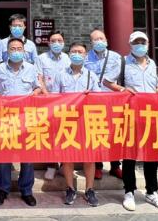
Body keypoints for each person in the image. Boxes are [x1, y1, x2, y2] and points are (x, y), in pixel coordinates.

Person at [116, 31, 158, 212]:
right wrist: (123, 90)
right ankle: (129, 191)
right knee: (129, 154)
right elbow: (108, 82)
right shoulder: (123, 62)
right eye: (137, 42)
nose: (140, 45)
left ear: (148, 44)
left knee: (152, 153)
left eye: (143, 42)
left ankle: (152, 191)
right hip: (131, 114)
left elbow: (155, 86)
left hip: (151, 114)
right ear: (130, 44)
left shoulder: (152, 64)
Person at [0, 38, 43, 207]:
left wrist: (36, 92)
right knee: (4, 156)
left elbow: (38, 87)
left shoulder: (31, 69)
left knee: (27, 157)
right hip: (6, 118)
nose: (16, 51)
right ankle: (2, 189)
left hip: (26, 118)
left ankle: (26, 191)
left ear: (24, 51)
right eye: (13, 48)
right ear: (7, 51)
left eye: (19, 48)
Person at [54, 42, 100, 207]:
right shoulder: (60, 75)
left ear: (85, 55)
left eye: (80, 52)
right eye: (74, 51)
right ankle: (70, 188)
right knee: (68, 157)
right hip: (66, 120)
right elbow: (54, 98)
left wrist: (91, 95)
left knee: (89, 157)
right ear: (69, 54)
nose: (77, 54)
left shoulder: (91, 76)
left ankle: (89, 189)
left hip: (86, 120)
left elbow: (100, 99)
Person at [84, 28, 124, 180]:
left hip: (113, 101)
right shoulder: (86, 58)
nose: (99, 41)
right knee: (96, 132)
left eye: (101, 38)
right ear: (91, 42)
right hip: (93, 101)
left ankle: (115, 165)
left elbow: (116, 78)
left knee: (114, 134)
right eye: (95, 39)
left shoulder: (115, 57)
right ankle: (98, 166)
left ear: (106, 40)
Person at [35, 31, 70, 180]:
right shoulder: (41, 58)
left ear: (63, 42)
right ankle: (51, 165)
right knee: (50, 134)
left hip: (65, 101)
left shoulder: (68, 58)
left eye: (59, 40)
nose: (56, 43)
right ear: (48, 43)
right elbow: (39, 78)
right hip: (47, 100)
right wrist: (46, 95)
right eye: (53, 40)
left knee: (64, 132)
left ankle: (64, 164)